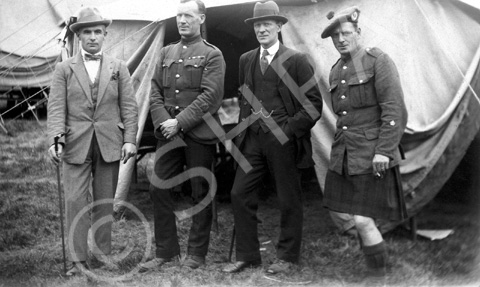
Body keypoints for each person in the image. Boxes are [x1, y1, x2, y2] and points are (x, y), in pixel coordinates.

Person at [221, 1, 323, 275]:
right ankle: (248, 256)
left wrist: (288, 131)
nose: (262, 29)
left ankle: (287, 256)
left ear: (279, 26)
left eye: (267, 24)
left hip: (284, 140)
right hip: (253, 140)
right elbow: (244, 99)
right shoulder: (246, 60)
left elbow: (313, 105)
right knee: (239, 193)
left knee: (288, 199)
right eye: (257, 24)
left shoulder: (297, 60)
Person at [47, 6, 138, 276]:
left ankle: (103, 255)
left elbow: (129, 107)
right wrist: (55, 140)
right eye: (87, 32)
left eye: (97, 31)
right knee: (75, 200)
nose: (93, 37)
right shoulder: (64, 69)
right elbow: (56, 108)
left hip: (109, 143)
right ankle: (77, 260)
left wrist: (130, 140)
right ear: (79, 36)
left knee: (104, 201)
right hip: (75, 144)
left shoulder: (119, 67)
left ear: (105, 35)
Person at [321, 6, 408, 281]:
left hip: (373, 154)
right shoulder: (336, 70)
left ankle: (377, 276)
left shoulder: (377, 61)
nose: (341, 40)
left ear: (358, 32)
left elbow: (394, 110)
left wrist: (384, 150)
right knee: (358, 218)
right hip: (347, 154)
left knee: (362, 219)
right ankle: (375, 264)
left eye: (346, 33)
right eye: (335, 37)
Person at [139, 0, 225, 272]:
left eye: (188, 15)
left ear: (201, 18)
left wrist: (180, 122)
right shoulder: (166, 52)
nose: (182, 20)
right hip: (169, 133)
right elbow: (154, 92)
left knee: (200, 191)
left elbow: (210, 97)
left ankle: (196, 253)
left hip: (198, 133)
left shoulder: (213, 55)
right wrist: (166, 122)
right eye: (178, 15)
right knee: (158, 186)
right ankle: (166, 251)